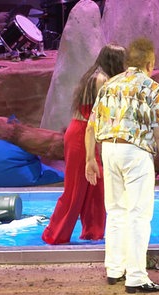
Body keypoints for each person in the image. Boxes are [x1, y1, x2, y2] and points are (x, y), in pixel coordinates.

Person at [85, 38, 159, 293]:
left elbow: (91, 125)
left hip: (109, 150)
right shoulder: (153, 88)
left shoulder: (109, 85)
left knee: (115, 211)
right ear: (150, 63)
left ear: (128, 62)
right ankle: (136, 276)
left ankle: (115, 269)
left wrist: (90, 158)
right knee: (138, 215)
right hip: (135, 152)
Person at [42, 44, 126, 245]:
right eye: (123, 60)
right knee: (75, 189)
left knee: (97, 186)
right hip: (81, 135)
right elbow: (106, 115)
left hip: (85, 133)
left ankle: (93, 232)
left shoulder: (99, 75)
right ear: (115, 61)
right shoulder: (101, 80)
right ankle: (55, 235)